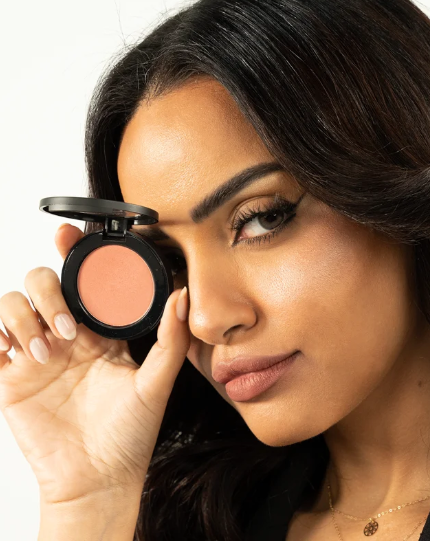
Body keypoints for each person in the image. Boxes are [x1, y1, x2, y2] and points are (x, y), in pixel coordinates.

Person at [1, 0, 430, 539]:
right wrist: (90, 502)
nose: (204, 319)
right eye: (170, 262)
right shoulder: (201, 520)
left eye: (262, 219)